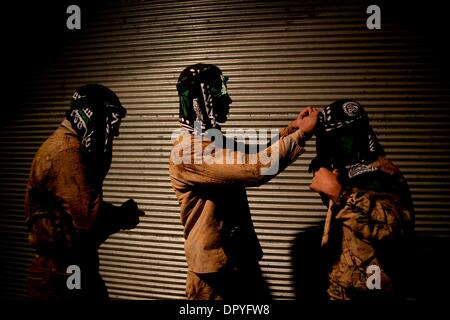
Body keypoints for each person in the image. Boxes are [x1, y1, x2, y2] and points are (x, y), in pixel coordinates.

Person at [169, 63, 319, 300]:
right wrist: (302, 135)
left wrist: (291, 129)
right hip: (213, 274)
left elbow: (251, 151)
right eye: (219, 93)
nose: (228, 100)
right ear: (201, 98)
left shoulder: (211, 140)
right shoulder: (189, 152)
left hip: (236, 261)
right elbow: (255, 168)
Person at [24, 84, 145, 301]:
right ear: (94, 116)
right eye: (112, 122)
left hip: (72, 268)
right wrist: (122, 216)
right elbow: (89, 219)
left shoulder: (66, 147)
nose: (115, 132)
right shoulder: (67, 152)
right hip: (63, 274)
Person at [308, 99, 415, 301]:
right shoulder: (343, 170)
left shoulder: (380, 173)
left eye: (337, 136)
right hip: (341, 288)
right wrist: (304, 131)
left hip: (372, 292)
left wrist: (341, 194)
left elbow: (392, 228)